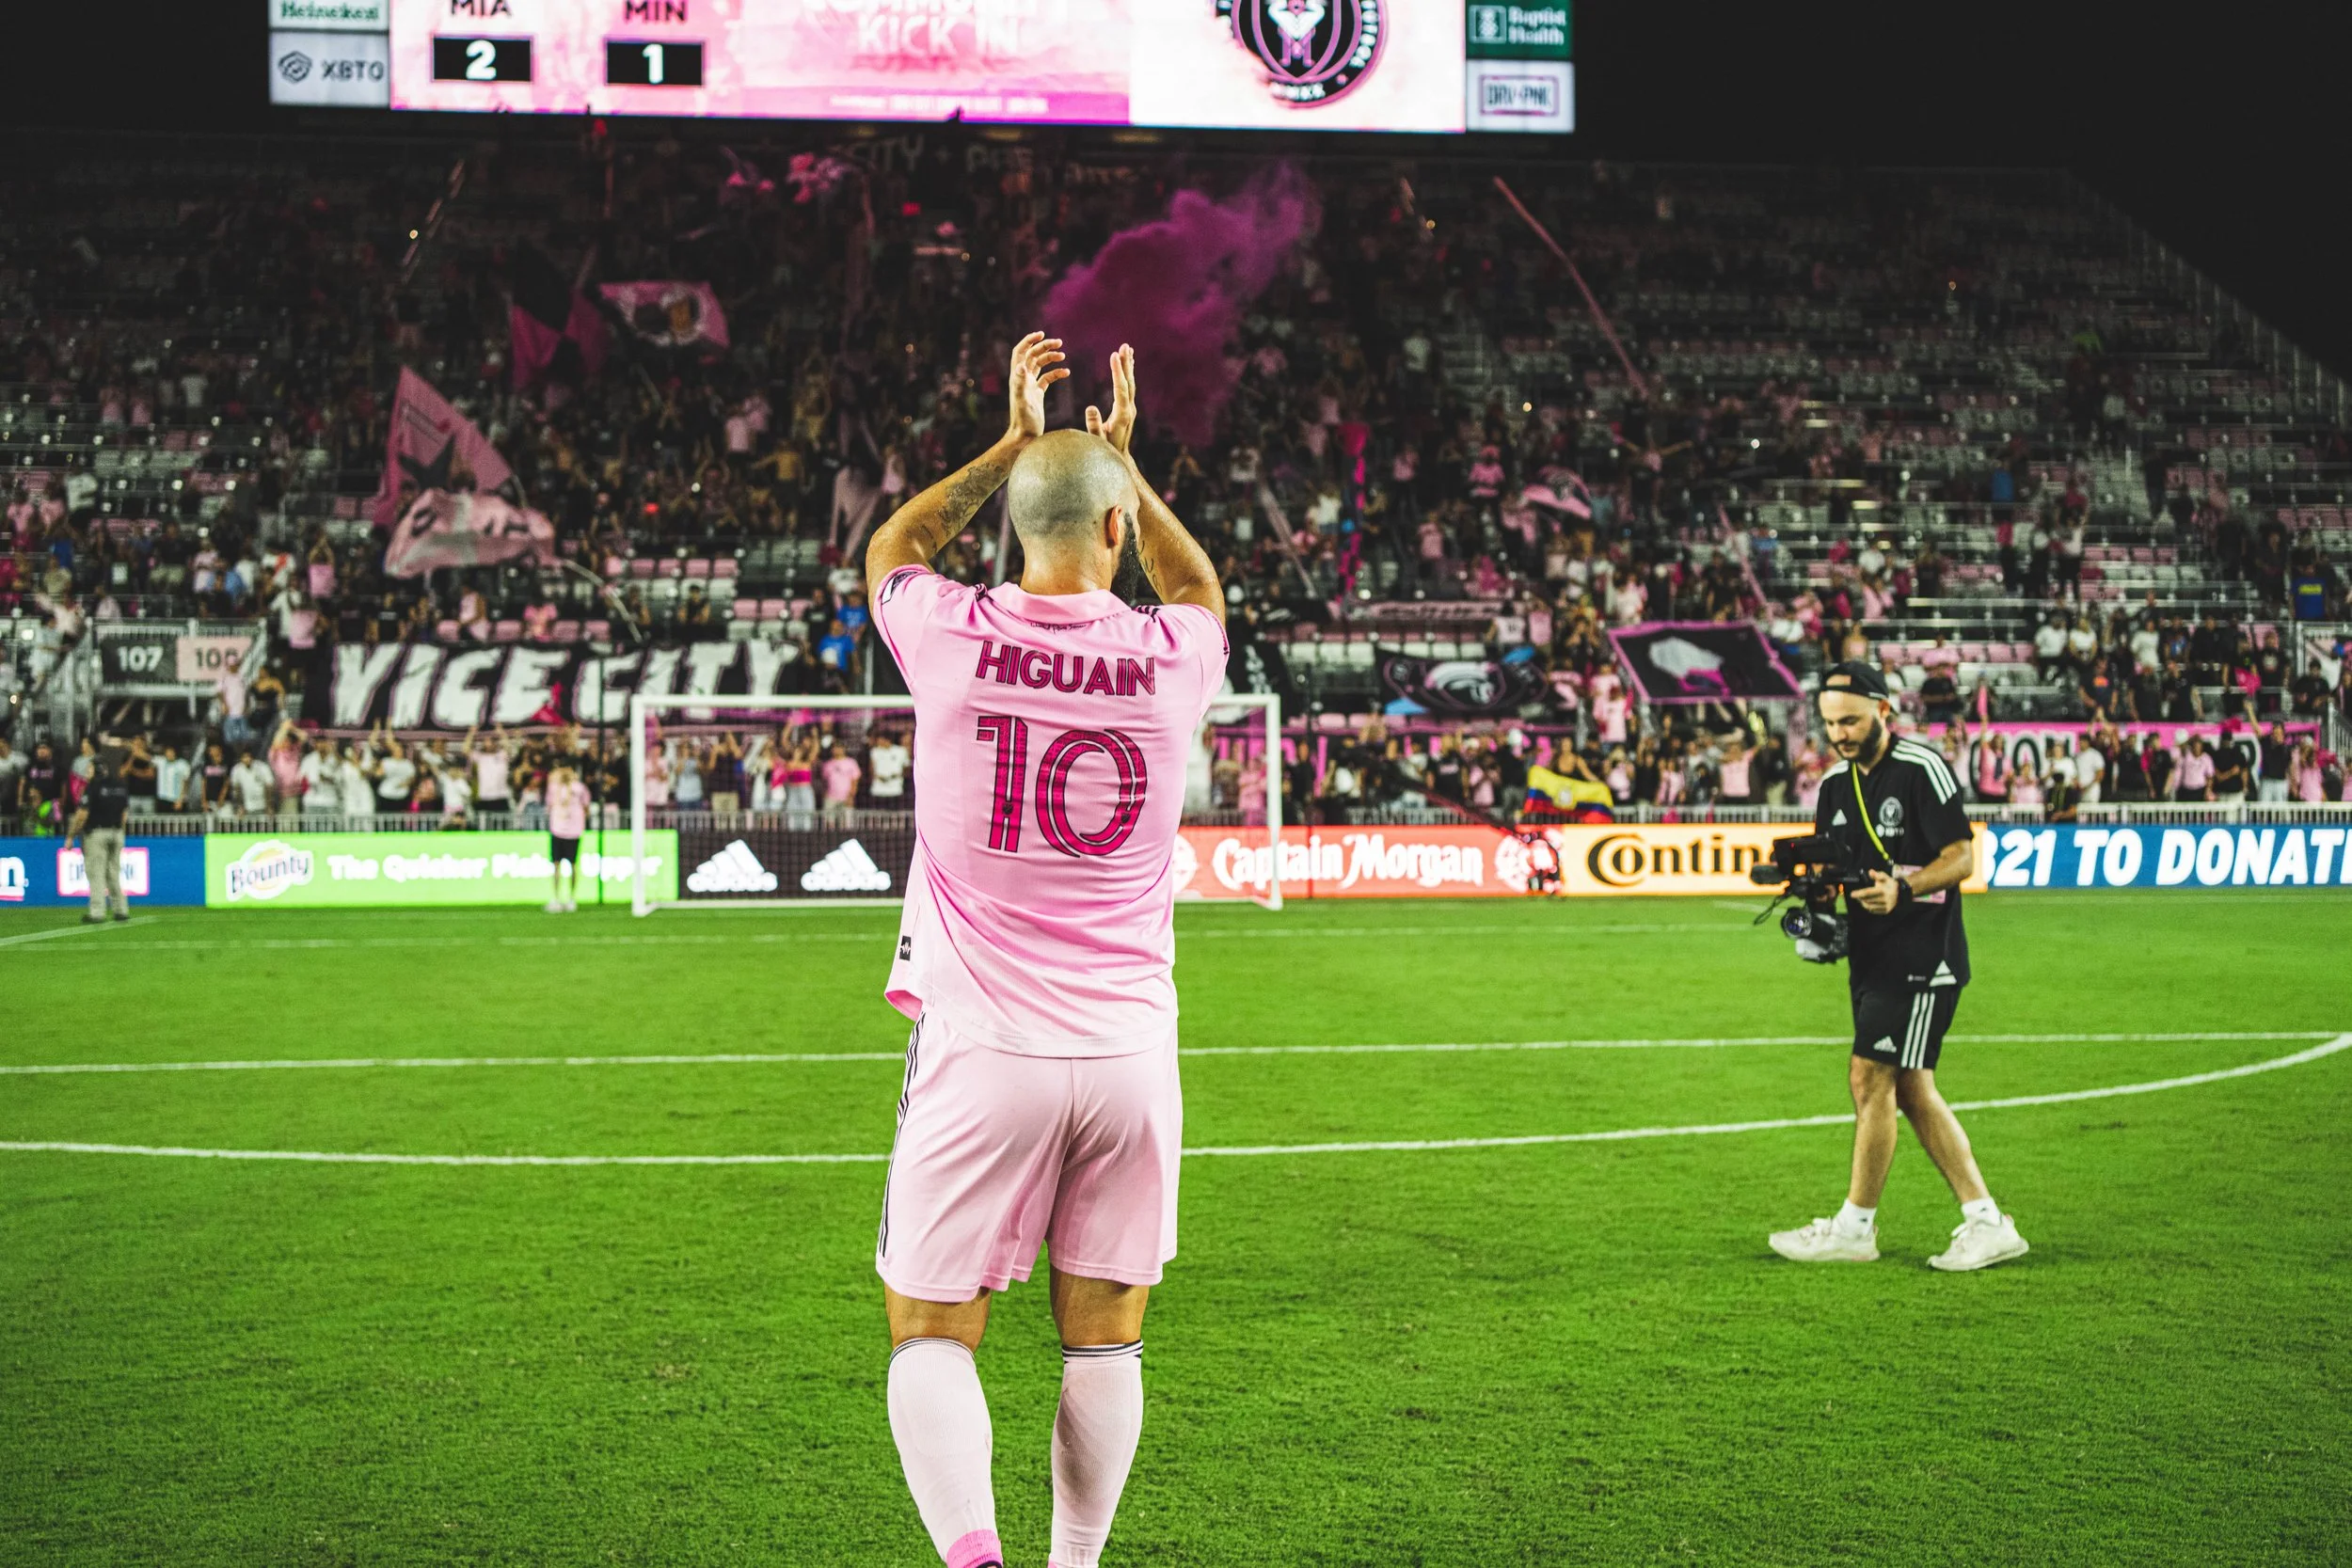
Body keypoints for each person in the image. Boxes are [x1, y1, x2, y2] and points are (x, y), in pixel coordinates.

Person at [863, 336, 1226, 1568]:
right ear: (1118, 532)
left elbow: (892, 549)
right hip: (1131, 1051)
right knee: (1105, 1339)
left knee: (928, 1330)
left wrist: (1014, 443)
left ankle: (979, 1561)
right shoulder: (1173, 658)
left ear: (1014, 522)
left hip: (984, 1046)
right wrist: (1127, 465)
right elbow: (1203, 595)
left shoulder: (949, 632)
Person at [1769, 662, 2028, 1273]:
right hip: (1872, 955)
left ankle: (1856, 1226)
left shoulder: (1920, 769)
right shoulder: (1834, 783)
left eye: (1852, 720)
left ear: (1884, 710)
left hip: (1924, 954)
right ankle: (1986, 1220)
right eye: (1831, 722)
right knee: (1910, 1088)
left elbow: (1963, 855)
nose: (1841, 733)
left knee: (1870, 1077)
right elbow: (1838, 867)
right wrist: (1818, 898)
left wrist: (1904, 890)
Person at [67, 740, 134, 923]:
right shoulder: (120, 786)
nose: (87, 772)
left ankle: (97, 912)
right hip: (117, 833)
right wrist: (119, 831)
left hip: (97, 834)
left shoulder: (93, 787)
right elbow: (124, 814)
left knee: (96, 873)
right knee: (113, 872)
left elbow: (82, 814)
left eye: (89, 769)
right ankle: (121, 909)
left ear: (95, 769)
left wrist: (71, 836)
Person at [546, 763, 592, 912]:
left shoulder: (579, 788)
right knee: (557, 865)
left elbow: (586, 806)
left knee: (571, 865)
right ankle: (557, 898)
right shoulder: (554, 788)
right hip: (558, 829)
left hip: (572, 830)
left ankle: (571, 898)